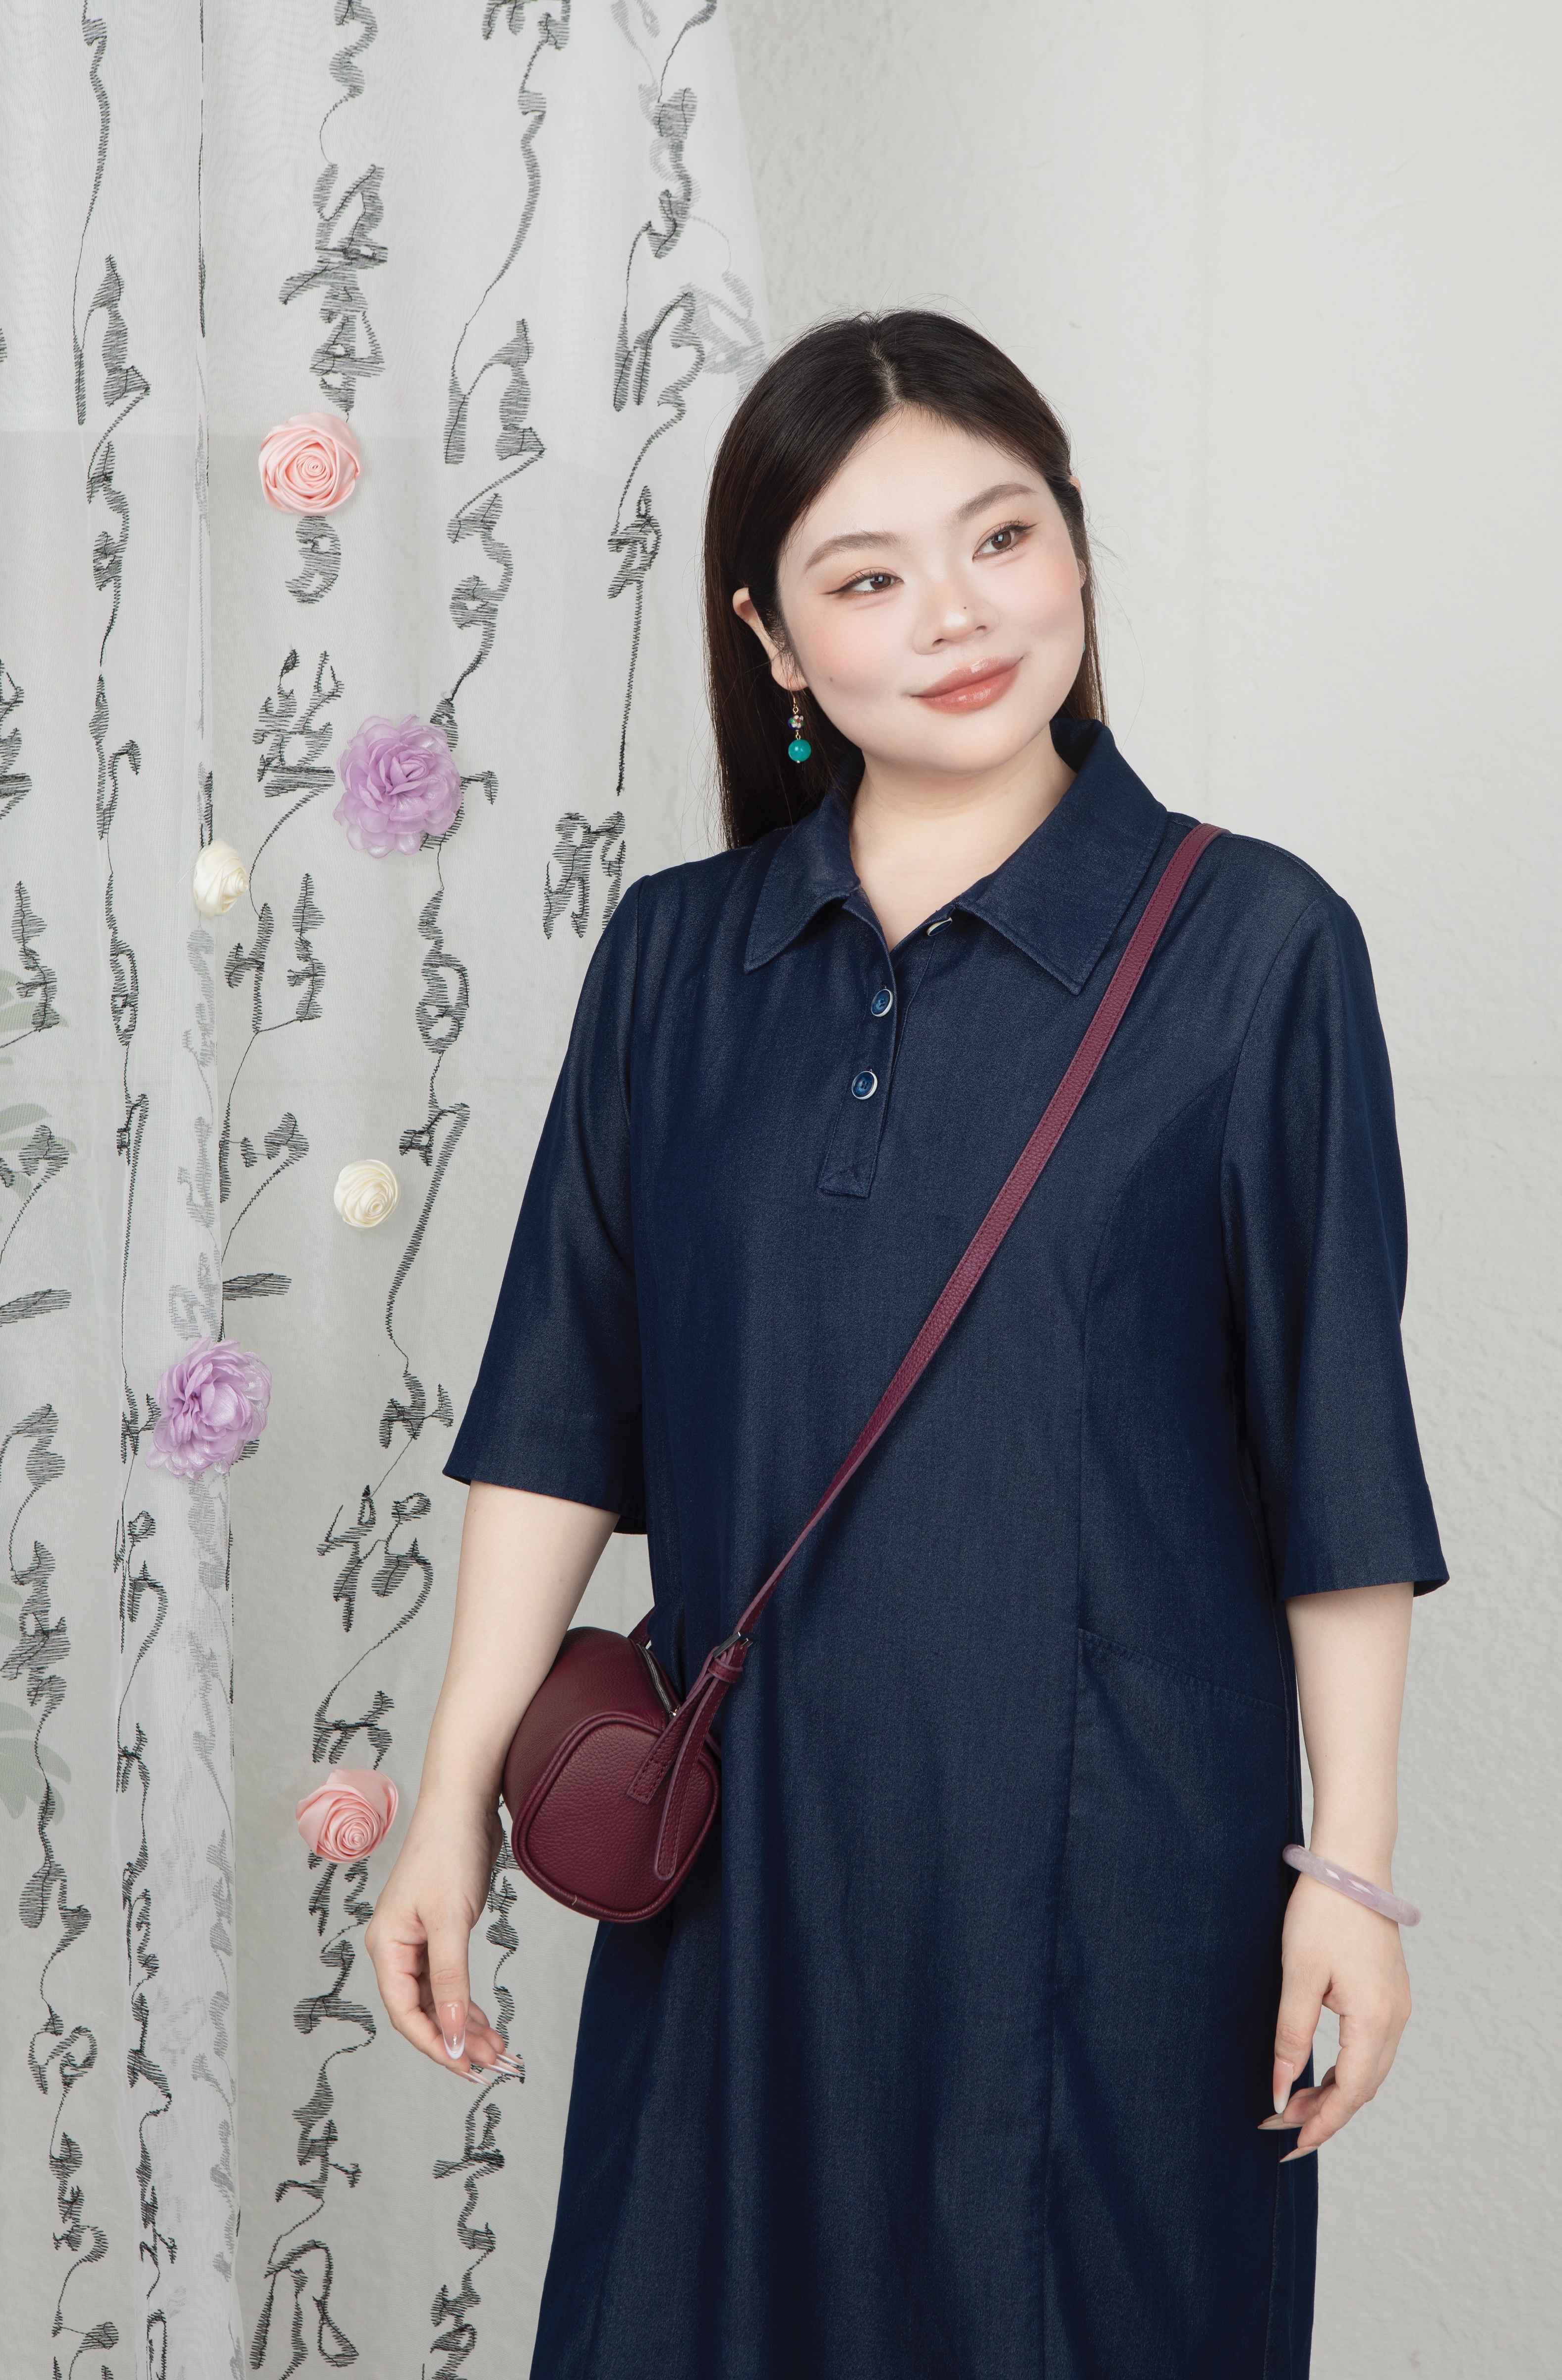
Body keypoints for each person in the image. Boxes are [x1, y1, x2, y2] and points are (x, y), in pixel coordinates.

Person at [366, 310, 1446, 2380]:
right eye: (866, 578)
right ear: (771, 641)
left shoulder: (1255, 948)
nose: (956, 615)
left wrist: (1353, 1875)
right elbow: (556, 1420)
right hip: (743, 1866)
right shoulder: (674, 962)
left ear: (1074, 545)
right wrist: (451, 1804)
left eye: (1001, 537)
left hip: (1112, 1877)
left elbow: (1336, 1462)